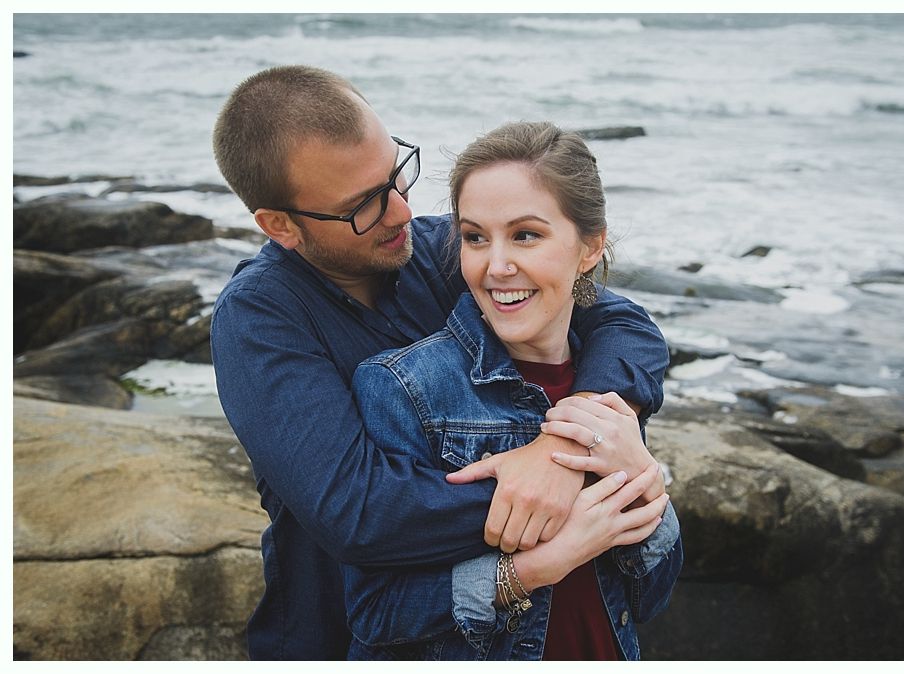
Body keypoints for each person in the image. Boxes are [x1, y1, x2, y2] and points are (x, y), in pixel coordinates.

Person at [209, 65, 671, 660]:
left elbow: (621, 321)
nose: (402, 211)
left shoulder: (432, 249)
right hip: (344, 636)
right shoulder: (257, 319)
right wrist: (568, 487)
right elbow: (360, 510)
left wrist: (572, 441)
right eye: (364, 205)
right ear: (280, 226)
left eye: (397, 174)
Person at [344, 121, 681, 660]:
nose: (495, 266)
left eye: (526, 235)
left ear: (590, 247)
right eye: (476, 237)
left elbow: (649, 596)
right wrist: (538, 565)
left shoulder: (610, 393)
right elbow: (376, 612)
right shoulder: (404, 386)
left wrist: (646, 489)